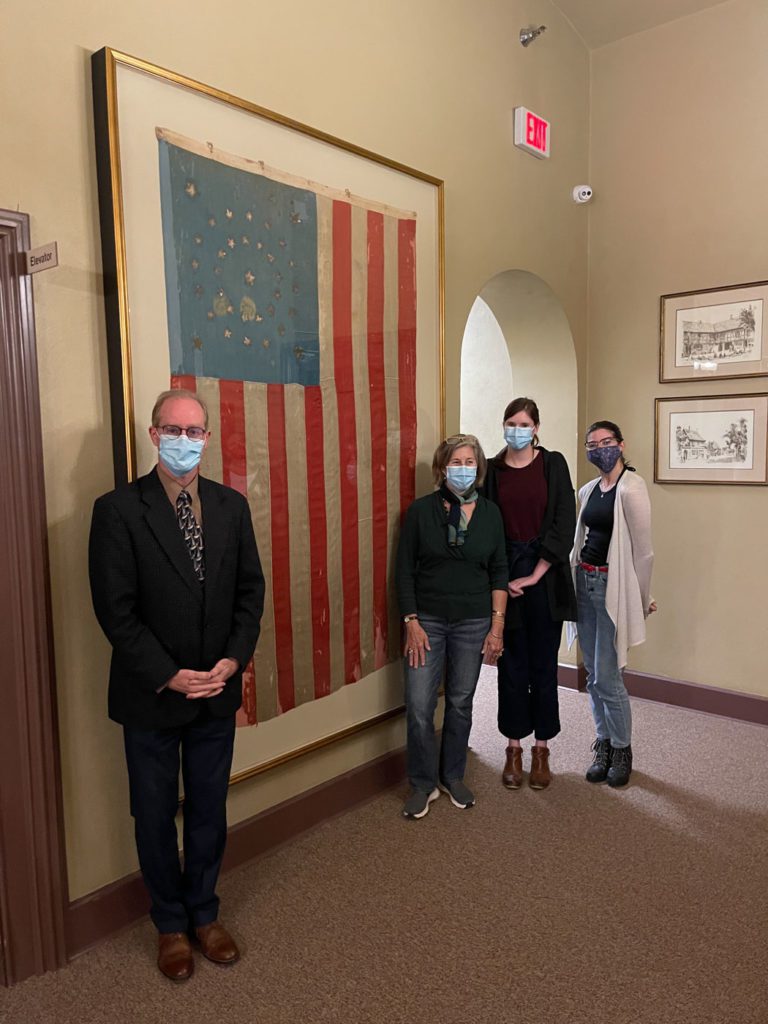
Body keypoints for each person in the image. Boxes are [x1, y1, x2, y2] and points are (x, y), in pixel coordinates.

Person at [89, 389, 265, 981]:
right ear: (152, 433)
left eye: (195, 431)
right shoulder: (117, 511)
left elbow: (249, 594)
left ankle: (204, 914)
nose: (184, 440)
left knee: (210, 808)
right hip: (152, 696)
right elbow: (116, 612)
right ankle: (169, 923)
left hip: (215, 690)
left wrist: (232, 660)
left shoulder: (231, 507)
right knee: (156, 813)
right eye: (173, 429)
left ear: (208, 439)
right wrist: (168, 672)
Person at [396, 434, 507, 819]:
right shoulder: (421, 511)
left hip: (474, 621)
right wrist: (411, 621)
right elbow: (404, 571)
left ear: (479, 468)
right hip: (426, 620)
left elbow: (499, 571)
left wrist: (497, 627)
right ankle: (423, 784)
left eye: (469, 462)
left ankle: (453, 776)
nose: (463, 469)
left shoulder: (491, 513)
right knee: (421, 706)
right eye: (455, 462)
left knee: (460, 702)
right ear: (442, 468)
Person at [483, 397, 577, 790]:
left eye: (524, 423)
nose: (516, 430)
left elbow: (563, 520)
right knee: (510, 665)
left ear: (536, 427)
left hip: (545, 578)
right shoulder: (490, 470)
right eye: (510, 423)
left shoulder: (553, 464)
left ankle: (541, 750)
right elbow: (486, 527)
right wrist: (502, 578)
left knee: (542, 665)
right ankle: (513, 747)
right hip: (506, 580)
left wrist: (537, 573)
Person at [570, 420, 655, 788]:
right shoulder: (588, 490)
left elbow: (644, 552)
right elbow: (580, 537)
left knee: (608, 676)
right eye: (593, 443)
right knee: (592, 674)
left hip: (612, 585)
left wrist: (641, 596)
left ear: (621, 444)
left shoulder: (632, 488)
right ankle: (602, 743)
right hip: (583, 581)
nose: (600, 448)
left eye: (607, 441)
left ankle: (622, 749)